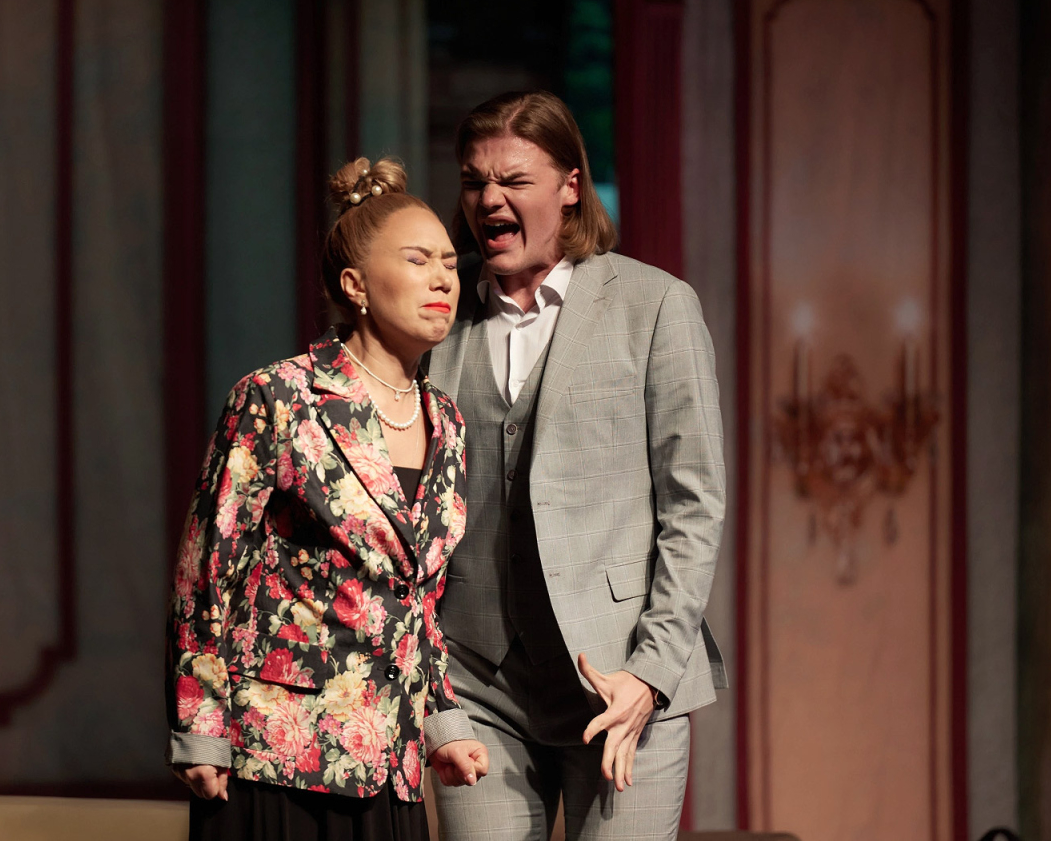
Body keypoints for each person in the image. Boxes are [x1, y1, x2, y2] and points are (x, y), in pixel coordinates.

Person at [426, 91, 727, 839]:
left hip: (619, 679)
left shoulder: (654, 305)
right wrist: (435, 697)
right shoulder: (440, 315)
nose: (488, 199)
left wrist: (652, 674)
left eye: (513, 181)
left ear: (569, 186)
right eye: (474, 182)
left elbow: (694, 507)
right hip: (477, 685)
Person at [167, 157, 489, 841]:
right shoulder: (279, 396)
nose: (443, 278)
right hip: (274, 754)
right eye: (417, 260)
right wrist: (200, 725)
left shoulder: (449, 422)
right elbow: (205, 572)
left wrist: (443, 723)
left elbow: (419, 601)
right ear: (355, 285)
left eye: (449, 263)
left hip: (390, 761)